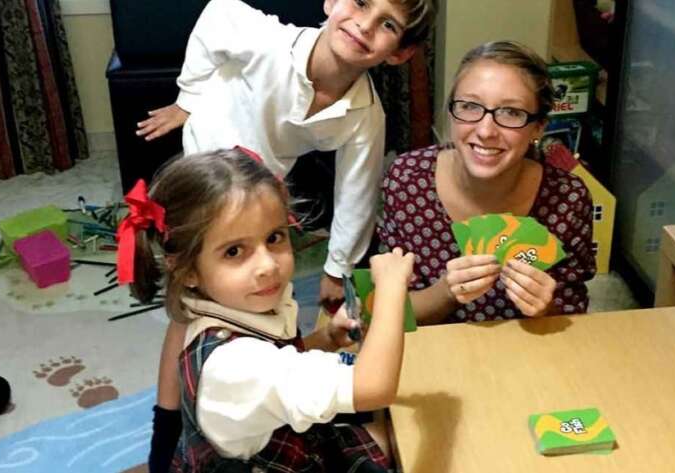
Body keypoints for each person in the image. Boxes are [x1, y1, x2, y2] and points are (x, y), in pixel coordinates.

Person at [134, 1, 436, 468]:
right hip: (210, 168)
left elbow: (356, 189)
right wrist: (187, 98)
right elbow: (218, 14)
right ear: (333, 1)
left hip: (259, 184)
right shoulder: (271, 40)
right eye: (359, 3)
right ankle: (166, 436)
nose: (364, 25)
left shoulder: (364, 114)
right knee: (192, 314)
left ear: (399, 53)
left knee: (264, 300)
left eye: (388, 24)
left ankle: (271, 362)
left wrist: (338, 268)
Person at [117, 149, 415, 472]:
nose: (267, 265)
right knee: (403, 440)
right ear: (187, 270)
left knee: (389, 434)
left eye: (274, 238)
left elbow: (279, 361)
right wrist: (390, 290)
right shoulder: (236, 365)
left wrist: (326, 337)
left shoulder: (225, 305)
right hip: (273, 462)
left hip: (281, 438)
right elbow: (373, 388)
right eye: (234, 251)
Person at [377, 41, 596, 325]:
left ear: (538, 127)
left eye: (511, 113)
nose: (485, 131)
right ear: (451, 112)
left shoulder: (567, 199)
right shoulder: (406, 181)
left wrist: (545, 308)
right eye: (469, 106)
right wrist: (446, 291)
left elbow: (575, 320)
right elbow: (384, 310)